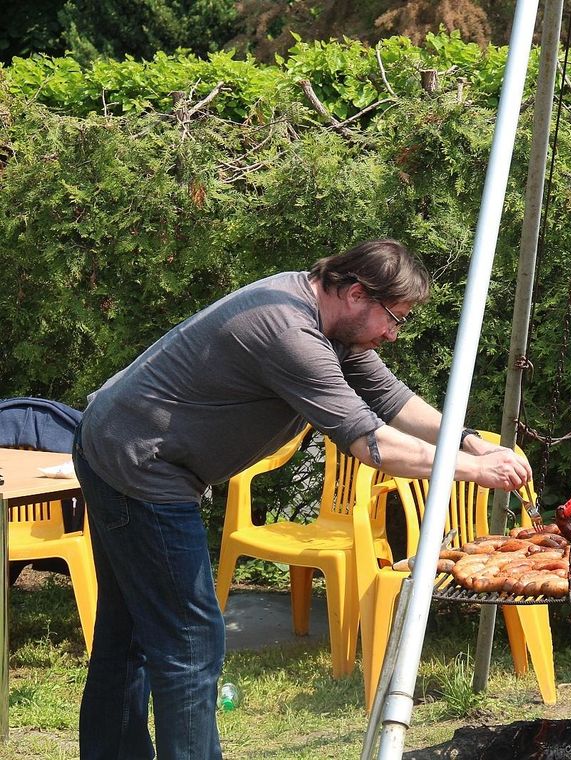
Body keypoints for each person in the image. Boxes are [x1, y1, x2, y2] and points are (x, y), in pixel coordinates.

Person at [73, 239, 532, 760]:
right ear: (357, 293)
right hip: (139, 465)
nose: (393, 334)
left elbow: (392, 400)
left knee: (128, 632)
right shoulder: (289, 331)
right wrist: (471, 469)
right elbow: (370, 441)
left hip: (116, 444)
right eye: (393, 318)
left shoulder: (328, 320)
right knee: (191, 644)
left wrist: (469, 438)